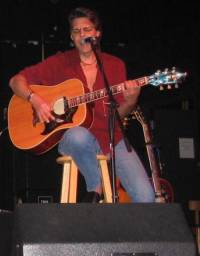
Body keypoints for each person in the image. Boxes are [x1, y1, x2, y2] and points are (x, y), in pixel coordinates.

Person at [8, 7, 154, 203]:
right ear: (72, 36)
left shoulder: (114, 65)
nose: (82, 34)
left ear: (97, 33)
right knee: (78, 135)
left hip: (112, 137)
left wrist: (131, 100)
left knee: (146, 197)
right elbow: (16, 81)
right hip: (74, 139)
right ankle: (96, 189)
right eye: (76, 31)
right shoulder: (60, 63)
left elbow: (118, 114)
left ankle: (125, 230)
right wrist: (35, 99)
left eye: (87, 29)